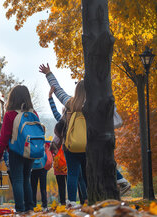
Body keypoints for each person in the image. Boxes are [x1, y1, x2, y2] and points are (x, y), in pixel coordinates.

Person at [40, 63, 130, 197]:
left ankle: (71, 202)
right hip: (91, 144)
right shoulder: (94, 105)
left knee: (72, 174)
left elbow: (58, 90)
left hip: (72, 145)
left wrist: (49, 74)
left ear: (77, 91)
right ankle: (119, 179)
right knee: (101, 163)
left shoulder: (69, 103)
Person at [0, 85, 38, 213]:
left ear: (12, 98)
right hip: (30, 150)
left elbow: (4, 138)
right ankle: (30, 207)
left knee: (18, 179)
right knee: (26, 178)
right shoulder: (33, 113)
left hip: (15, 151)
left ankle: (20, 208)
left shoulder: (10, 115)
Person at [31, 141, 51, 209]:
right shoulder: (43, 142)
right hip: (42, 166)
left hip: (33, 167)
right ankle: (44, 205)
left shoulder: (31, 141)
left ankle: (33, 205)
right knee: (43, 187)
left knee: (33, 188)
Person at [50, 141, 67, 205]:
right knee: (70, 183)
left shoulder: (55, 141)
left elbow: (51, 151)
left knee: (61, 186)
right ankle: (71, 201)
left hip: (58, 167)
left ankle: (63, 202)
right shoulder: (67, 139)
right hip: (67, 166)